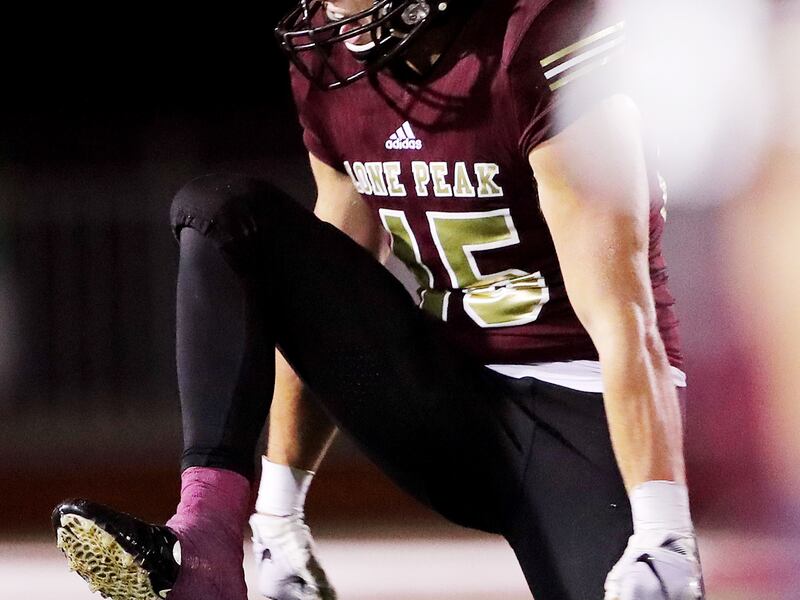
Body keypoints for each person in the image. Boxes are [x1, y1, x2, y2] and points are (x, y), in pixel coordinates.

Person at [52, 0, 705, 599]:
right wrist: (279, 519)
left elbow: (623, 313)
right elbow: (313, 298)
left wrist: (663, 527)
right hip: (449, 400)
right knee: (224, 213)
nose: (336, 15)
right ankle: (206, 540)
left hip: (582, 413)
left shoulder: (535, 38)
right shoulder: (329, 61)